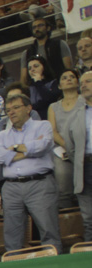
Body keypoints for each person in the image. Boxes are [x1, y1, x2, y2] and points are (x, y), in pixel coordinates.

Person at [0, 94, 62, 253]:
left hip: (39, 183)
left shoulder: (42, 126)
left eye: (16, 107)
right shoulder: (2, 134)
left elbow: (43, 145)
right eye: (8, 110)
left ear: (28, 108)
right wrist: (29, 150)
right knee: (12, 235)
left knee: (48, 230)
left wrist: (14, 148)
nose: (12, 112)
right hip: (11, 187)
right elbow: (0, 157)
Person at [47, 69, 86, 210]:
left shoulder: (85, 101)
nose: (68, 79)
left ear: (78, 82)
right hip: (62, 150)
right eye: (64, 78)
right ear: (59, 85)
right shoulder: (53, 107)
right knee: (63, 186)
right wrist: (68, 148)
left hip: (85, 148)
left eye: (72, 77)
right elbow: (53, 131)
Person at [75, 71, 92, 241]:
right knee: (88, 219)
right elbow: (71, 143)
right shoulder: (78, 113)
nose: (84, 85)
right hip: (85, 166)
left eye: (88, 81)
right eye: (82, 83)